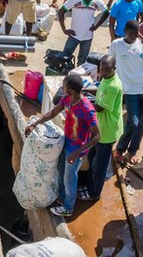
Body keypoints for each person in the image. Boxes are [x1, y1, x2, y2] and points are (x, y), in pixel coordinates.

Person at [25, 74, 99, 217]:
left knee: (69, 178)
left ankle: (68, 207)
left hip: (76, 149)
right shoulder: (67, 99)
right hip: (65, 142)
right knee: (59, 171)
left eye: (64, 85)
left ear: (71, 90)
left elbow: (97, 136)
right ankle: (61, 197)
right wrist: (35, 124)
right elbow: (53, 113)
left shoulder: (87, 109)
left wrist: (77, 153)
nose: (62, 87)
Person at [110, 20, 143, 166]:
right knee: (133, 122)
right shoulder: (117, 45)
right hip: (130, 90)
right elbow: (110, 63)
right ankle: (119, 149)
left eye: (136, 34)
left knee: (142, 123)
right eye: (131, 33)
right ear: (125, 31)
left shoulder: (142, 45)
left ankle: (133, 150)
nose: (134, 36)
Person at [86, 55, 123, 200]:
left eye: (107, 71)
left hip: (106, 132)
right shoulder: (106, 79)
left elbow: (99, 108)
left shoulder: (114, 86)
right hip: (99, 128)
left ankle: (94, 193)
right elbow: (100, 91)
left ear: (114, 69)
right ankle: (89, 185)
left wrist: (81, 103)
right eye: (101, 70)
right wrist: (85, 90)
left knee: (99, 166)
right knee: (92, 157)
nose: (103, 73)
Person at [57, 0, 109, 65]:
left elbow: (106, 13)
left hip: (87, 37)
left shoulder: (97, 2)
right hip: (74, 35)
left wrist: (96, 26)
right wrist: (64, 29)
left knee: (82, 61)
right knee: (65, 57)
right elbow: (60, 12)